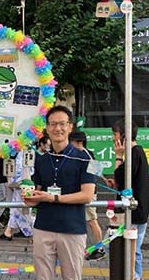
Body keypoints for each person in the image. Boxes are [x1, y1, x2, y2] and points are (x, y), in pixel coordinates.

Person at [23, 105, 96, 280]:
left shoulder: (86, 158)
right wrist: (30, 198)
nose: (57, 128)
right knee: (43, 277)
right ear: (47, 128)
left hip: (72, 230)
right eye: (53, 124)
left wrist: (53, 197)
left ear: (70, 127)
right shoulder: (41, 160)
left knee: (72, 277)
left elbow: (87, 195)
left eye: (62, 123)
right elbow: (38, 192)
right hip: (43, 228)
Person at [106, 120, 149, 280]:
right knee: (133, 249)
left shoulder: (134, 153)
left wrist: (118, 156)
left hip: (134, 212)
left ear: (124, 136)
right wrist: (116, 183)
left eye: (115, 135)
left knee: (132, 250)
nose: (113, 139)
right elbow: (124, 181)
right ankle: (134, 276)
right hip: (138, 211)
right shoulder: (136, 152)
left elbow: (120, 175)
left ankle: (134, 277)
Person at [69, 130, 106, 261]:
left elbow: (97, 172)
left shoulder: (85, 154)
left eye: (71, 141)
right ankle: (81, 249)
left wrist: (105, 180)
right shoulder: (80, 154)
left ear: (79, 142)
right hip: (79, 192)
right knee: (83, 220)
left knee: (91, 221)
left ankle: (100, 249)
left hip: (88, 193)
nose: (69, 143)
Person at [0, 151, 34, 241]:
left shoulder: (26, 152)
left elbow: (25, 170)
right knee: (16, 209)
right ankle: (8, 232)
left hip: (23, 184)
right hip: (20, 184)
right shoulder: (21, 152)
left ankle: (35, 233)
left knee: (23, 210)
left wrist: (14, 181)